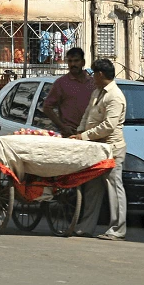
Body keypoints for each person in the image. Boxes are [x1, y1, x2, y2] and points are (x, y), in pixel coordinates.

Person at [73, 59, 127, 240]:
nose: (92, 77)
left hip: (111, 149)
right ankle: (86, 227)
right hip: (95, 147)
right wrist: (80, 132)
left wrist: (84, 136)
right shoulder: (97, 92)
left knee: (114, 187)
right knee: (93, 188)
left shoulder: (115, 96)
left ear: (101, 74)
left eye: (94, 74)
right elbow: (87, 114)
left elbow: (108, 126)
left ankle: (117, 229)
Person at [40, 47, 96, 137]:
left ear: (83, 62)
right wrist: (62, 127)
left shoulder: (93, 83)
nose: (73, 64)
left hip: (91, 135)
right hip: (71, 135)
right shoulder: (61, 83)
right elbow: (47, 107)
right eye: (70, 61)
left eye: (76, 61)